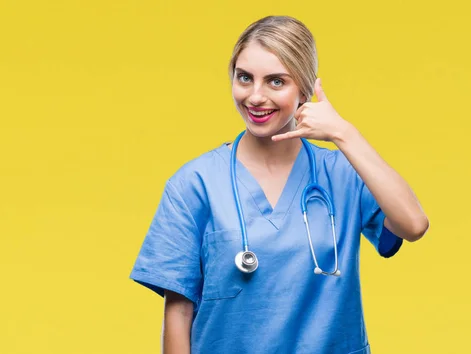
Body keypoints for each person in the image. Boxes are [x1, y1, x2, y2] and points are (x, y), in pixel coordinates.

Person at [129, 15, 429, 354]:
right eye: (244, 78)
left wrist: (344, 133)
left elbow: (414, 224)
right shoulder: (194, 185)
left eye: (275, 82)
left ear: (303, 88)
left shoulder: (343, 174)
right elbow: (178, 312)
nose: (255, 97)